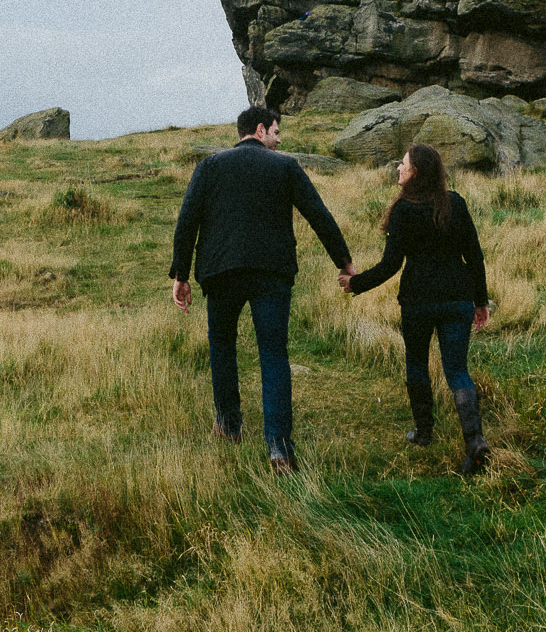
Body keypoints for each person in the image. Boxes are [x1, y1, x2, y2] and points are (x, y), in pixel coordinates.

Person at [170, 104, 354, 472]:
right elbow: (318, 214)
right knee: (273, 353)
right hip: (271, 272)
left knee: (222, 345)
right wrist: (344, 262)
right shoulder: (285, 166)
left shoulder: (209, 166)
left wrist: (181, 275)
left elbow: (187, 219)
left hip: (220, 271)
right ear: (259, 129)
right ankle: (280, 449)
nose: (279, 139)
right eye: (276, 131)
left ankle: (230, 426)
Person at [342, 142, 492, 475]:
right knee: (457, 371)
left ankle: (424, 434)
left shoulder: (404, 210)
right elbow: (475, 257)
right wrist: (480, 301)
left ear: (416, 171)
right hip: (457, 299)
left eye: (404, 164)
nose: (399, 168)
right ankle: (475, 440)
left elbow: (391, 264)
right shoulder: (455, 203)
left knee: (416, 364)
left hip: (418, 302)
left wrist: (355, 283)